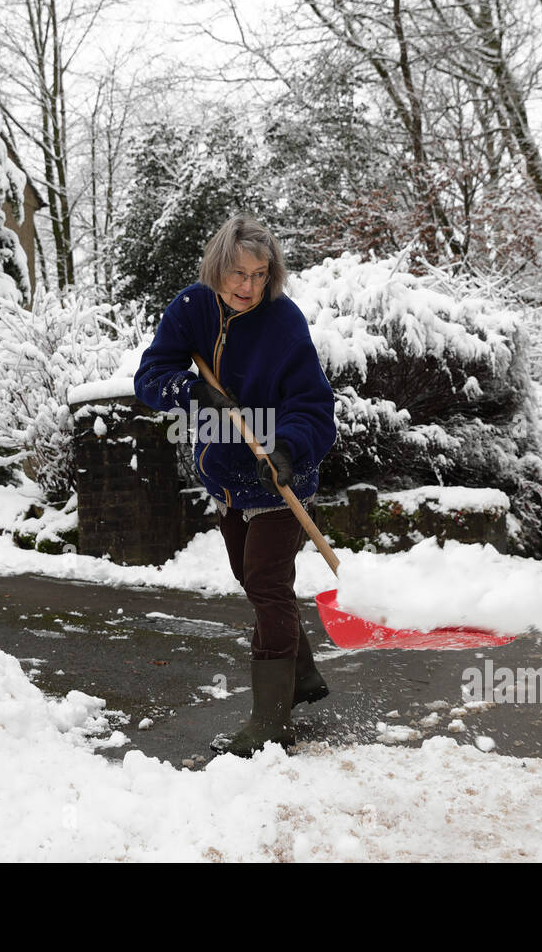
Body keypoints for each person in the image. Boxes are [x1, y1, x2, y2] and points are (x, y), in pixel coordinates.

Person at [133, 214, 337, 757]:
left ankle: (270, 723)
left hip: (279, 474)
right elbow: (150, 377)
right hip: (226, 476)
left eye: (260, 274)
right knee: (254, 583)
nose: (247, 287)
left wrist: (288, 447)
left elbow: (313, 404)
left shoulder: (283, 322)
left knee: (267, 585)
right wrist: (190, 393)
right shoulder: (191, 309)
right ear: (216, 266)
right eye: (237, 274)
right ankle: (303, 675)